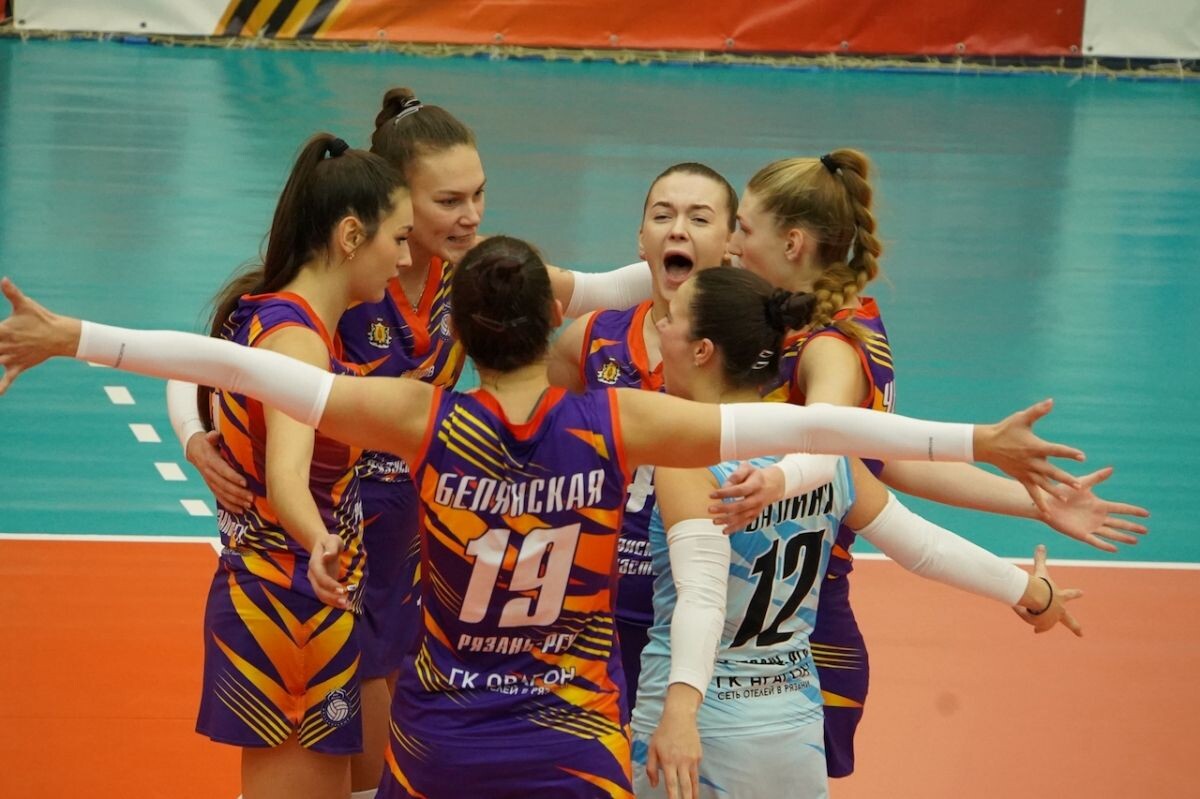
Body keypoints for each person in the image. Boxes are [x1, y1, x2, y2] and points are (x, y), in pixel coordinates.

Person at [0, 236, 1087, 798]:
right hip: (571, 731)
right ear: (551, 323)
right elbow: (818, 430)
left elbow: (239, 366)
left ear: (464, 333)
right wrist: (972, 440)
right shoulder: (623, 421)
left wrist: (76, 337)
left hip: (442, 732)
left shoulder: (422, 419)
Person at [169, 88, 659, 794]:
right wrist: (195, 436)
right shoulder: (337, 289)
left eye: (479, 194)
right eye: (449, 200)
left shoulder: (475, 277)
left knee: (384, 759)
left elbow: (606, 287)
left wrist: (705, 249)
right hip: (323, 542)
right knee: (338, 756)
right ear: (395, 199)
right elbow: (208, 354)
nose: (472, 215)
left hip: (408, 539)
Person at [715, 149, 1149, 780]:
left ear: (793, 242)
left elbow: (833, 451)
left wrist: (780, 477)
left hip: (793, 627)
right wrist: (1033, 504)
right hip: (767, 609)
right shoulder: (847, 321)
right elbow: (879, 462)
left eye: (743, 227)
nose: (730, 242)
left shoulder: (828, 351)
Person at [629, 266, 1086, 799]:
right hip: (792, 724)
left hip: (703, 728)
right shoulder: (825, 458)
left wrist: (681, 713)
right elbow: (923, 546)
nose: (661, 326)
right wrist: (1031, 591)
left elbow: (704, 599)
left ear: (702, 350)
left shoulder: (690, 460)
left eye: (672, 318)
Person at [142, 132, 410, 798]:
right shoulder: (297, 343)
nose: (405, 258)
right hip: (288, 608)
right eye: (398, 239)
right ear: (352, 236)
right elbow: (290, 477)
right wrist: (320, 542)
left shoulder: (275, 313)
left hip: (294, 602)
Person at [547, 161, 738, 703]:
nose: (677, 229)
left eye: (699, 218)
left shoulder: (749, 355)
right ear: (640, 239)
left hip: (700, 613)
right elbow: (538, 451)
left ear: (730, 242)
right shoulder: (589, 339)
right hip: (590, 610)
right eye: (662, 215)